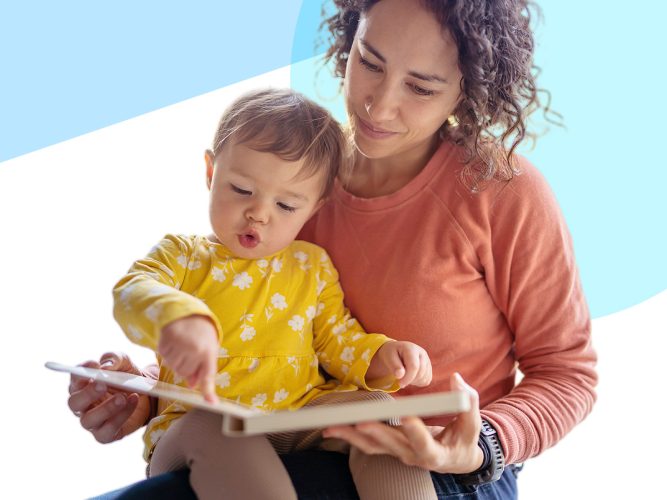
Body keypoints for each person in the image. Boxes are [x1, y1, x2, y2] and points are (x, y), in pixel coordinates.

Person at [68, 1, 597, 498]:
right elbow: (252, 329)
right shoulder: (296, 181)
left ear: (467, 90)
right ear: (351, 37)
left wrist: (484, 442)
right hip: (298, 434)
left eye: (420, 87)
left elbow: (568, 374)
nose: (380, 103)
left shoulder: (502, 191)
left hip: (445, 472)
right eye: (369, 62)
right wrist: (143, 393)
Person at [107, 87, 436, 500]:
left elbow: (338, 339)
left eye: (286, 205)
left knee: (380, 408)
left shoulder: (311, 266)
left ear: (315, 207)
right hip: (197, 425)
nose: (259, 213)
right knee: (215, 426)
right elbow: (132, 289)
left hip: (297, 414)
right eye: (242, 189)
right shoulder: (184, 256)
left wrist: (381, 357)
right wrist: (177, 318)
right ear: (211, 172)